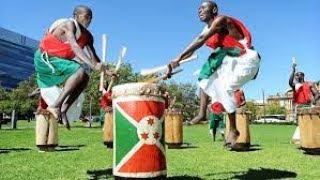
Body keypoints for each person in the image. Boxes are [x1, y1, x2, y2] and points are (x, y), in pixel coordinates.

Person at [166, 1, 260, 147]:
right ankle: (205, 114)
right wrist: (174, 64)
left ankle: (231, 128)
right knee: (206, 78)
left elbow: (200, 40)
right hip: (230, 60)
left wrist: (178, 58)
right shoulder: (206, 28)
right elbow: (192, 49)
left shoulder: (221, 20)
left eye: (203, 7)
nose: (199, 10)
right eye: (198, 9)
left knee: (217, 68)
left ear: (214, 9)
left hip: (244, 58)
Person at [34, 5, 115, 129]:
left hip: (60, 62)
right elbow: (75, 46)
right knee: (79, 71)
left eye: (91, 18)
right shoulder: (69, 24)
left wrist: (107, 70)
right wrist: (93, 65)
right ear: (76, 16)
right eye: (86, 16)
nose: (89, 20)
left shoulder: (88, 36)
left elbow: (94, 57)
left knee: (84, 78)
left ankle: (64, 108)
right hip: (45, 59)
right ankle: (55, 105)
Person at [289, 63, 319, 144]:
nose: (296, 77)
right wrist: (293, 69)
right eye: (295, 75)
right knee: (298, 122)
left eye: (297, 75)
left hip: (308, 105)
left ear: (302, 76)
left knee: (308, 121)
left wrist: (313, 101)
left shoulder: (309, 84)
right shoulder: (295, 85)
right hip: (298, 106)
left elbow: (317, 94)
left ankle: (301, 138)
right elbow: (290, 81)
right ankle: (301, 137)